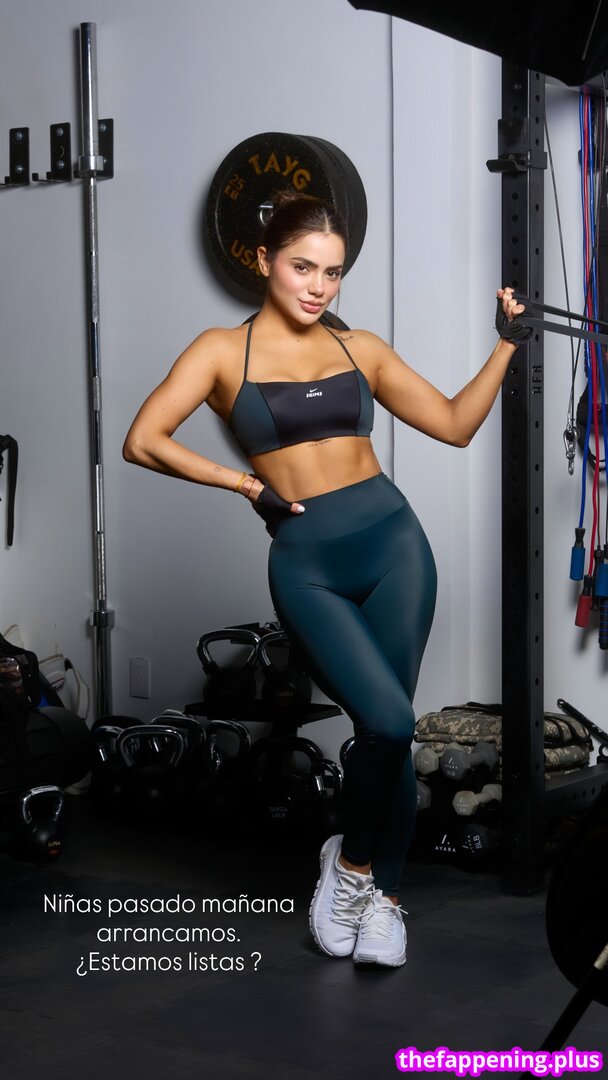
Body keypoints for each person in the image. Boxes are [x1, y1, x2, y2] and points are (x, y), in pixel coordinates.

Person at [123, 191, 529, 968]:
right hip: (308, 563)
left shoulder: (360, 349)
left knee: (390, 734)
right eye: (303, 267)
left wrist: (505, 346)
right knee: (389, 724)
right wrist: (246, 485)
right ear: (263, 260)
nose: (318, 286)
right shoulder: (220, 352)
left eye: (333, 273)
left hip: (395, 546)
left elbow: (453, 424)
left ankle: (378, 893)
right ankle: (350, 867)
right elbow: (143, 440)